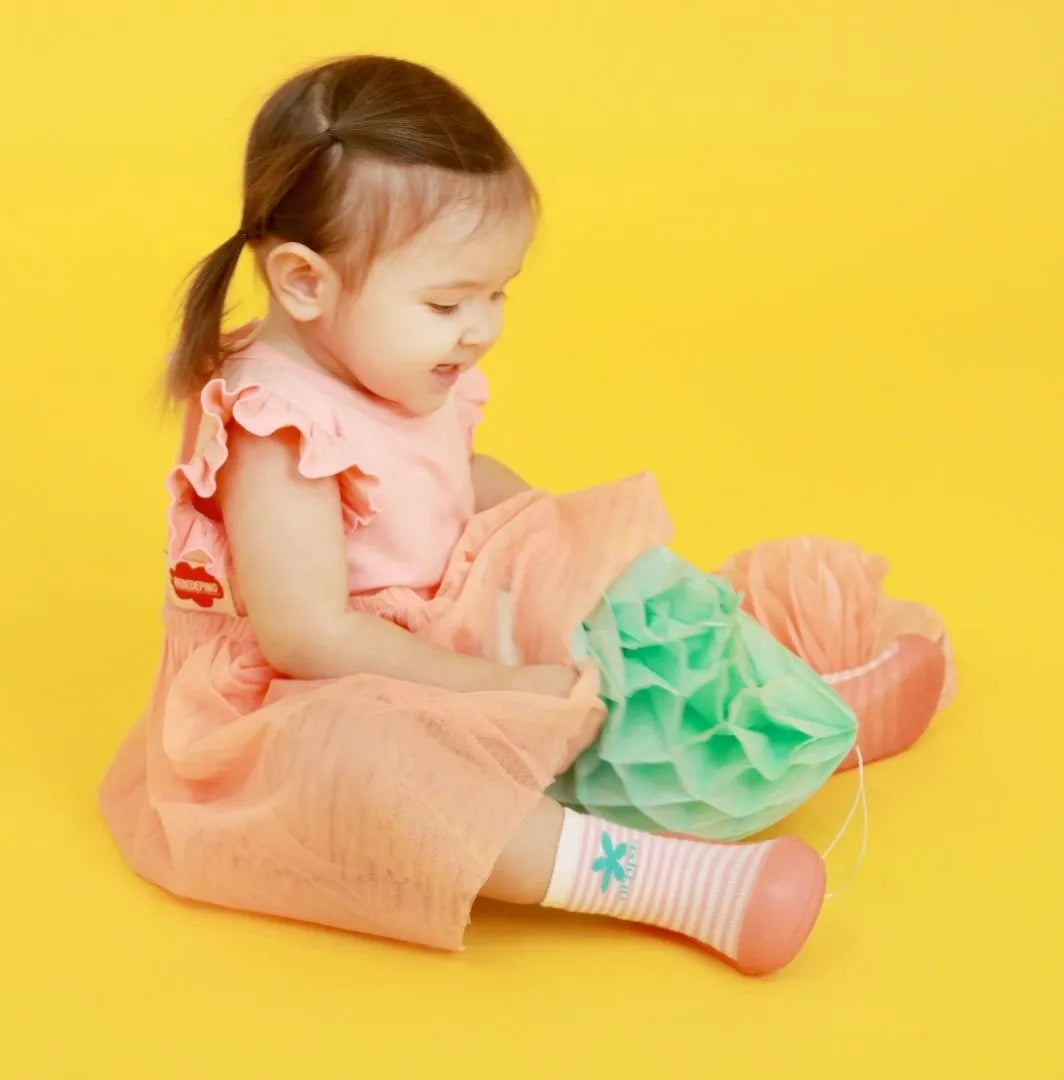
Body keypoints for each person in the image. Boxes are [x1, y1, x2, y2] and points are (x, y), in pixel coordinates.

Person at [100, 54, 848, 977]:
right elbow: (307, 635)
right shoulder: (278, 426)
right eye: (449, 301)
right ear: (304, 282)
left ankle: (781, 705)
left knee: (611, 582)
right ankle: (665, 882)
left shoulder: (394, 357)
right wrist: (478, 684)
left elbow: (451, 481)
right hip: (327, 687)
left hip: (437, 613)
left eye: (499, 293)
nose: (482, 327)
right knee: (378, 775)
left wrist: (565, 547)